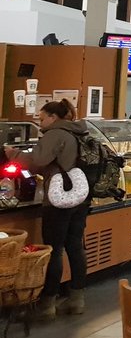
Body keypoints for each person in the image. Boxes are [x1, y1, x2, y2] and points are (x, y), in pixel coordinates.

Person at [9, 99, 91, 319]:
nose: (40, 122)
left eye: (42, 118)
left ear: (53, 117)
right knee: (75, 246)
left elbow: (37, 161)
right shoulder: (80, 131)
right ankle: (77, 299)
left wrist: (13, 154)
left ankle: (47, 304)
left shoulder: (55, 134)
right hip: (80, 197)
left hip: (59, 198)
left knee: (53, 249)